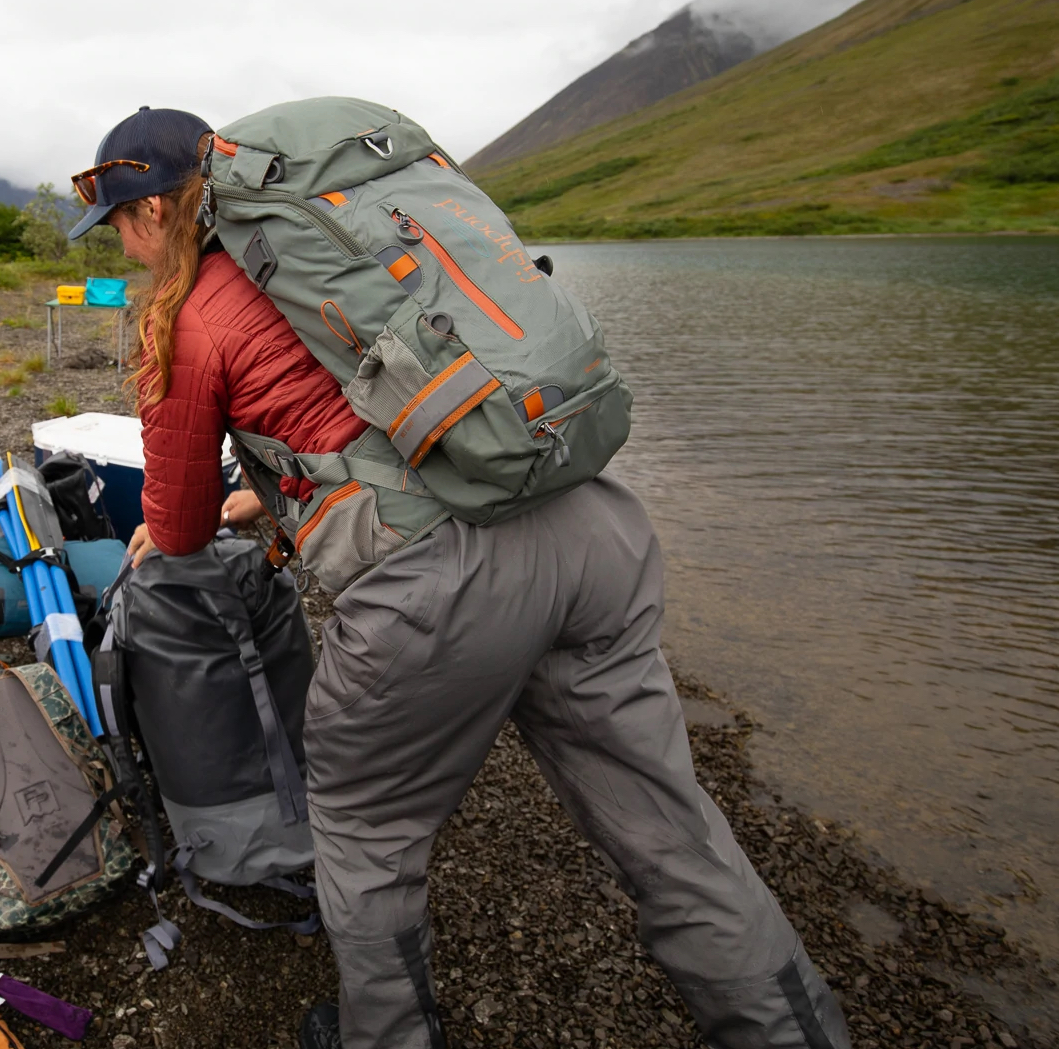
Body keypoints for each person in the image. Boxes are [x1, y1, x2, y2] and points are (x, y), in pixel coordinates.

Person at [69, 106, 853, 1049]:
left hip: (442, 585)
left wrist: (199, 509)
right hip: (586, 525)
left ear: (154, 211)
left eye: (118, 226)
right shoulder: (349, 250)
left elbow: (179, 529)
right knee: (670, 828)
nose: (123, 248)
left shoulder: (189, 317)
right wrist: (268, 497)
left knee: (364, 832)